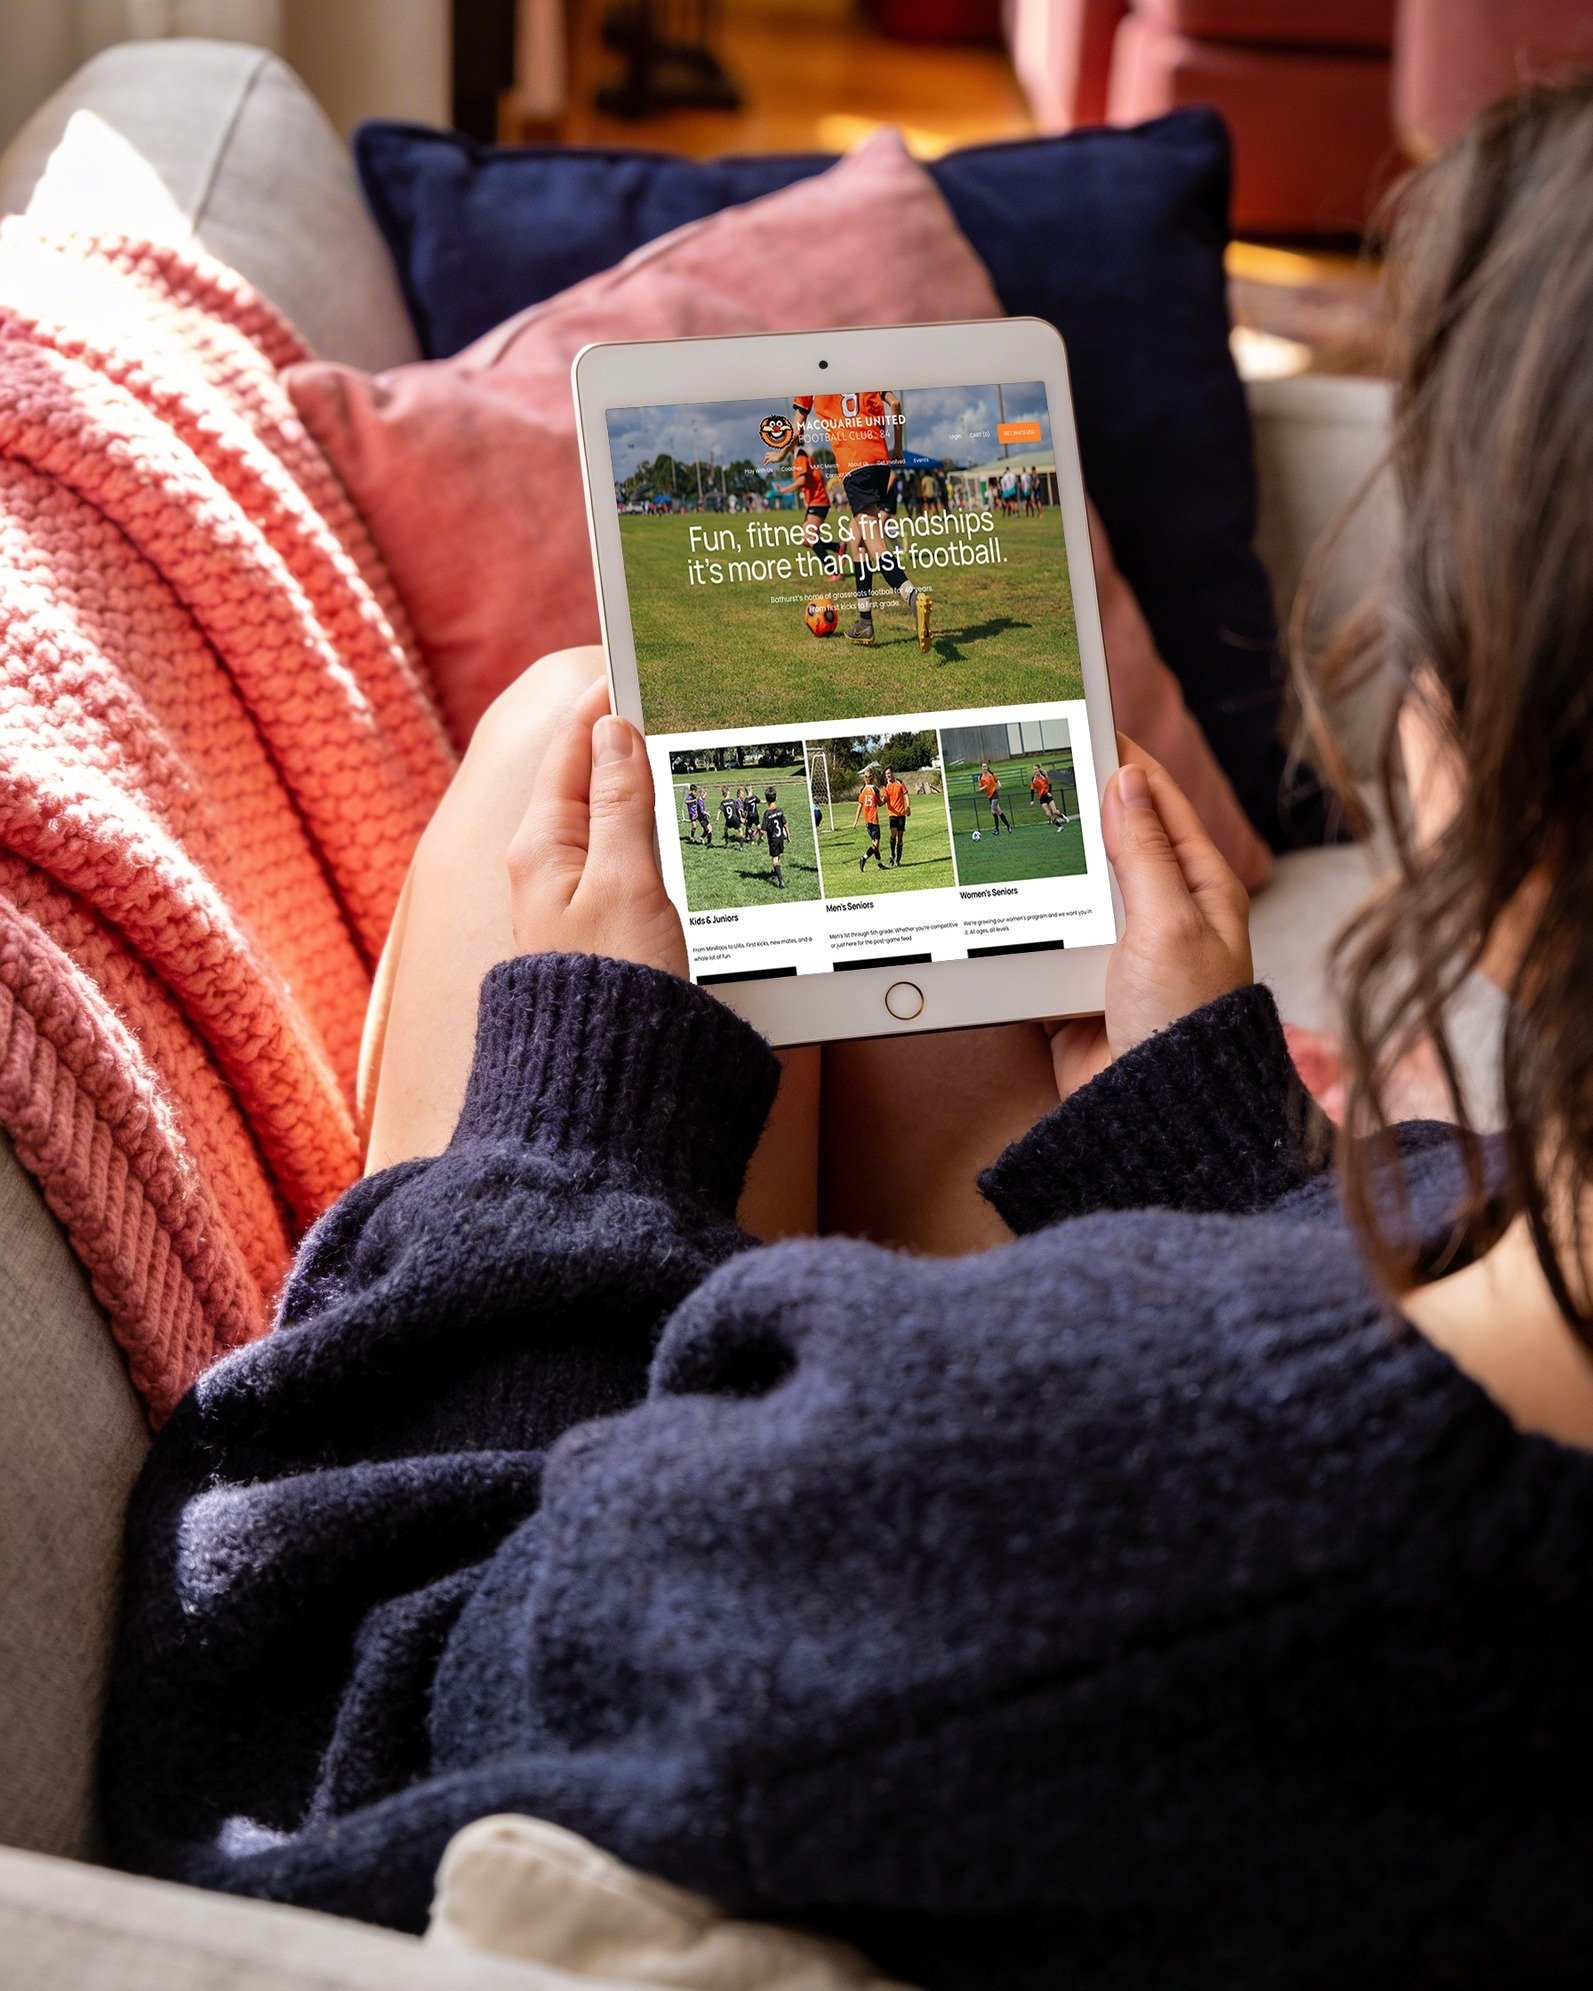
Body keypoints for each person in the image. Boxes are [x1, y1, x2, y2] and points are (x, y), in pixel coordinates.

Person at [103, 81, 1593, 1991]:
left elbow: (315, 1735)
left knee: (577, 733)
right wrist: (1215, 1155)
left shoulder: (1055, 1509)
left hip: (627, 1639)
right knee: (827, 860)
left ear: (1501, 783)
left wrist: (569, 1136)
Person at [763, 389, 932, 652]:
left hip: (855, 465)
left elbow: (797, 430)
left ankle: (913, 597)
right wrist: (897, 447)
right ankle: (864, 622)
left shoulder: (811, 381)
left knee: (874, 544)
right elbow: (896, 404)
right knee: (857, 542)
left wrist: (781, 455)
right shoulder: (862, 368)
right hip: (879, 460)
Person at [779, 446, 842, 576]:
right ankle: (837, 547)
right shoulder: (798, 455)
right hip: (815, 501)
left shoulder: (800, 455)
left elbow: (802, 480)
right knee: (805, 540)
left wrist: (784, 490)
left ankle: (834, 572)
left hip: (818, 501)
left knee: (810, 537)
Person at [853, 768, 885, 872]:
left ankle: (879, 865)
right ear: (873, 777)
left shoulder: (863, 790)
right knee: (875, 844)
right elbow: (879, 804)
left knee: (875, 844)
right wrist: (885, 800)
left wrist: (856, 821)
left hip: (867, 821)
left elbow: (859, 806)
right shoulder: (875, 790)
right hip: (874, 820)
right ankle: (864, 858)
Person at [881, 764, 911, 867]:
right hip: (892, 814)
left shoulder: (899, 783)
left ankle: (898, 859)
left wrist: (908, 807)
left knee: (900, 837)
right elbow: (884, 797)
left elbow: (906, 795)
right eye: (886, 774)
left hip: (901, 813)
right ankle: (892, 853)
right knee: (893, 833)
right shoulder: (885, 785)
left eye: (889, 773)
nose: (888, 775)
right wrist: (882, 800)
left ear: (892, 773)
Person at [762, 785, 789, 890]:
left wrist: (760, 838)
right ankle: (776, 872)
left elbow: (763, 830)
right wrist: (789, 836)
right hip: (781, 838)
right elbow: (785, 824)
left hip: (773, 839)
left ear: (766, 799)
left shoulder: (767, 813)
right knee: (778, 856)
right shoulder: (780, 810)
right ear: (775, 797)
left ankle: (780, 880)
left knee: (774, 859)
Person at [978, 760, 1013, 834]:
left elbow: (997, 780)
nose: (984, 768)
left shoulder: (991, 774)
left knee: (993, 809)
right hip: (989, 796)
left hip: (995, 794)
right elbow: (980, 788)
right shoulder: (981, 777)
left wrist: (999, 784)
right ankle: (1008, 825)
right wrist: (984, 787)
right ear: (981, 768)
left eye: (985, 766)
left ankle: (997, 829)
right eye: (983, 767)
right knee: (999, 812)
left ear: (987, 767)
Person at [1030, 763, 1065, 830]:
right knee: (1048, 814)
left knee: (1054, 811)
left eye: (1036, 769)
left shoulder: (1044, 775)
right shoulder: (1033, 779)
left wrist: (1049, 792)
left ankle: (1063, 816)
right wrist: (1032, 800)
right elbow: (1032, 790)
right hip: (1042, 798)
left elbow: (1050, 784)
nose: (1034, 770)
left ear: (1039, 769)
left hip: (1047, 796)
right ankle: (1060, 826)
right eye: (1033, 769)